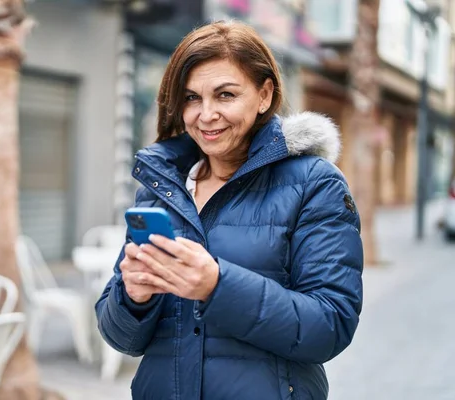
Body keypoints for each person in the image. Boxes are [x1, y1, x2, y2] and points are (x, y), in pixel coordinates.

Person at [95, 20, 363, 400]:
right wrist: (133, 297)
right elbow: (122, 338)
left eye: (225, 95)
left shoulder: (315, 184)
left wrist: (217, 287)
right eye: (191, 98)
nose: (205, 115)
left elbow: (330, 326)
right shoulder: (162, 188)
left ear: (264, 95)